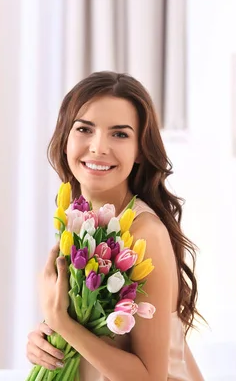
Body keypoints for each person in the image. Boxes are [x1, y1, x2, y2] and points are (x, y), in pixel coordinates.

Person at [26, 71, 205, 380]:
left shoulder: (143, 232)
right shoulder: (77, 217)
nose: (98, 147)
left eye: (119, 134)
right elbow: (99, 335)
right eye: (84, 129)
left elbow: (151, 378)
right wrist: (47, 340)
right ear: (65, 137)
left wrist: (61, 321)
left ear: (139, 151)